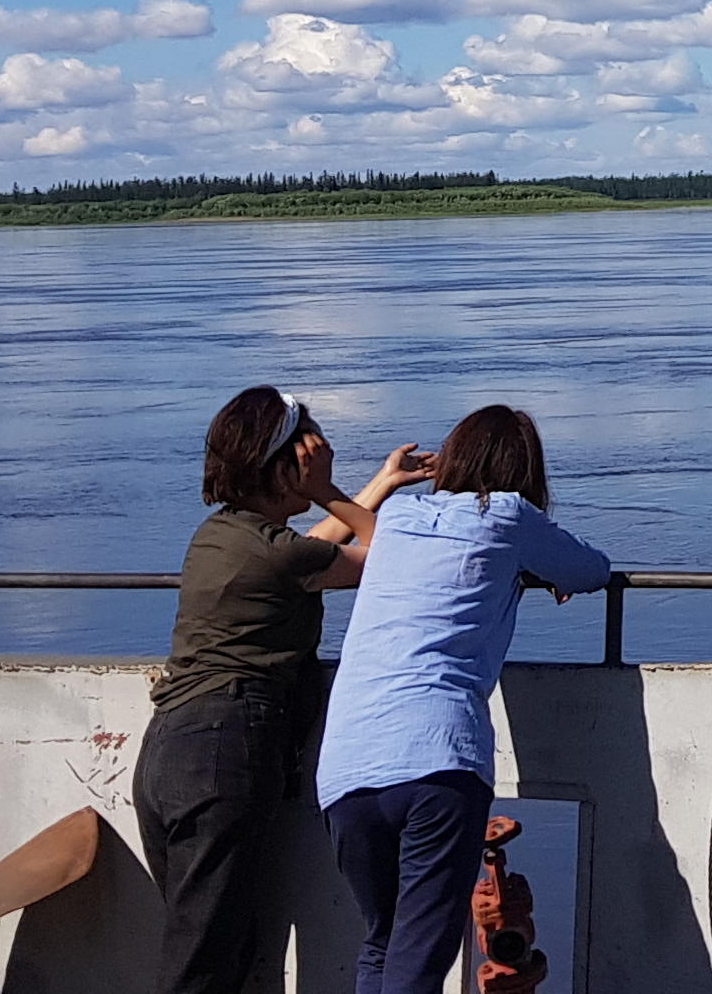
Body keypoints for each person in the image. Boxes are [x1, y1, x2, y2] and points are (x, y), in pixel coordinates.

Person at [315, 404, 614, 994]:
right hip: (437, 759)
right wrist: (539, 569)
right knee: (417, 964)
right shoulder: (508, 515)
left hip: (346, 768)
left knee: (381, 943)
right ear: (523, 471)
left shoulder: (397, 514)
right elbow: (592, 569)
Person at [139, 387, 428, 994]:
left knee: (211, 945)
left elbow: (313, 549)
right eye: (306, 458)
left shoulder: (222, 534)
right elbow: (400, 558)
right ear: (282, 467)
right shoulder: (276, 555)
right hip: (224, 749)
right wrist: (326, 489)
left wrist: (381, 482)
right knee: (201, 964)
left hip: (169, 751)